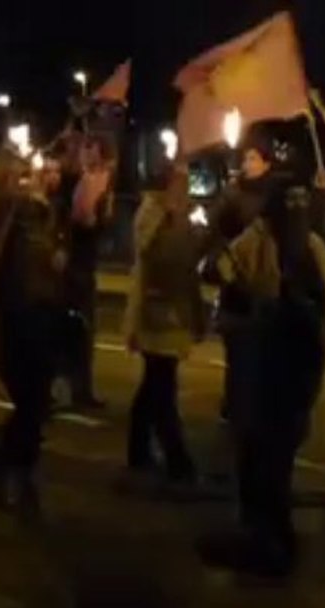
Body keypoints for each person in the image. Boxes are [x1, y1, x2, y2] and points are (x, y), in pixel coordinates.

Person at [203, 185, 325, 576]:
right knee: (255, 457)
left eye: (301, 205)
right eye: (288, 205)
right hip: (258, 371)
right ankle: (261, 534)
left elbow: (323, 314)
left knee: (275, 461)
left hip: (292, 375)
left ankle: (275, 541)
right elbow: (226, 295)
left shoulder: (313, 251)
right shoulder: (252, 246)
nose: (296, 213)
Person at [0, 151, 67, 520]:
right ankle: (13, 476)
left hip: (41, 311)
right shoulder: (3, 213)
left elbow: (48, 252)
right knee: (31, 403)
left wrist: (55, 257)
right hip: (16, 316)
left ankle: (9, 474)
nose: (29, 180)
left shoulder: (37, 214)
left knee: (36, 403)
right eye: (20, 176)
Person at [124, 162, 203, 485]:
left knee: (155, 382)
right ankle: (176, 458)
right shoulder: (151, 212)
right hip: (155, 309)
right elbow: (147, 250)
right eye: (179, 185)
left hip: (176, 307)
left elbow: (190, 263)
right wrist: (166, 218)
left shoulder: (184, 215)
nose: (184, 191)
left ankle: (138, 448)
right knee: (162, 386)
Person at [210, 135, 276, 423]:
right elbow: (216, 224)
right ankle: (234, 405)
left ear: (266, 164)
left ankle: (254, 404)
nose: (247, 164)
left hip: (262, 276)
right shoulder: (233, 192)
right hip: (236, 276)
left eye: (253, 159)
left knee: (261, 350)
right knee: (237, 348)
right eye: (245, 158)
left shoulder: (273, 196)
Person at [62, 136, 114, 410]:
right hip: (65, 263)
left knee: (83, 328)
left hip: (83, 262)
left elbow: (101, 223)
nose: (88, 154)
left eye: (93, 149)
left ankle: (81, 388)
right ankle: (60, 386)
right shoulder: (72, 181)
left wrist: (100, 216)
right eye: (85, 149)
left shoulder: (101, 182)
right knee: (67, 328)